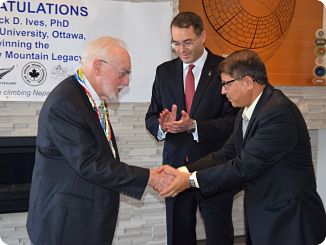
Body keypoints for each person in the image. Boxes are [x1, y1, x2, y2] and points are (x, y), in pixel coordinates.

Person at [160, 49, 326, 245]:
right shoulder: (247, 110)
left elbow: (243, 166)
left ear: (248, 82)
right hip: (264, 215)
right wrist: (181, 171)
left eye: (226, 84)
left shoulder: (278, 113)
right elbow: (225, 154)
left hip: (290, 221)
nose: (222, 91)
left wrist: (189, 180)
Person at [26, 36, 171, 245]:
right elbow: (89, 164)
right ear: (98, 66)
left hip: (84, 221)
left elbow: (103, 156)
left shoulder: (88, 97)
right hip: (67, 226)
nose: (127, 81)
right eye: (123, 73)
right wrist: (148, 177)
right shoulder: (66, 102)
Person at [145, 12, 238, 245]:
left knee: (219, 236)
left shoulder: (224, 70)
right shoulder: (163, 72)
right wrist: (162, 126)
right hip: (175, 169)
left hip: (213, 168)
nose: (181, 49)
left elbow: (234, 121)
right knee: (178, 237)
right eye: (176, 43)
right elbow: (151, 116)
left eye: (187, 42)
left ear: (202, 36)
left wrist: (195, 126)